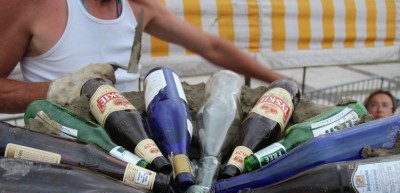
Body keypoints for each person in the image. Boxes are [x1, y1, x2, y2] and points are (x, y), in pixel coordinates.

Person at [0, 0, 286, 114]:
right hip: (62, 148)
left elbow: (211, 47)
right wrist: (56, 91)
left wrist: (282, 82)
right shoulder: (32, 5)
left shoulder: (137, 6)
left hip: (129, 141)